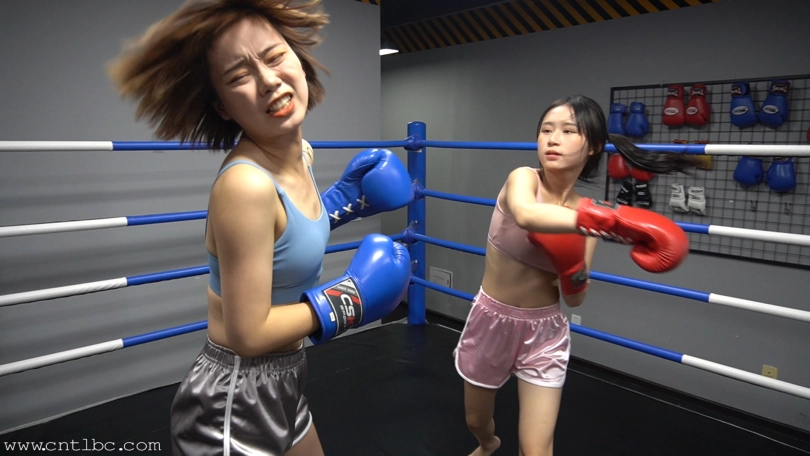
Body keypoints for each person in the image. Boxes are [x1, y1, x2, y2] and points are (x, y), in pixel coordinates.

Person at [108, 1, 413, 454]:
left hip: (286, 381)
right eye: (239, 76)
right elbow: (249, 335)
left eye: (274, 56)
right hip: (233, 400)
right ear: (222, 106)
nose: (268, 80)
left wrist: (344, 202)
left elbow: (286, 237)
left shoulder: (301, 154)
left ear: (298, 59)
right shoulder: (245, 186)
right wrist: (353, 298)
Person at [453, 95, 698, 456]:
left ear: (593, 146)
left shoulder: (589, 213)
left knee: (537, 449)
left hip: (544, 332)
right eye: (546, 130)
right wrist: (605, 221)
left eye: (568, 131)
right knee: (476, 419)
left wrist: (571, 269)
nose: (553, 139)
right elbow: (527, 214)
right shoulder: (524, 179)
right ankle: (489, 444)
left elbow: (575, 298)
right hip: (493, 320)